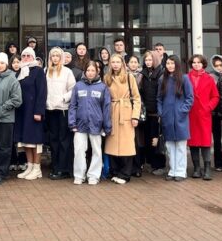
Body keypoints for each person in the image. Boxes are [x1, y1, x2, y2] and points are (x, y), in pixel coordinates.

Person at [69, 61, 112, 185]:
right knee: (79, 150)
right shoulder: (78, 86)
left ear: (97, 72)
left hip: (96, 125)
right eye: (88, 70)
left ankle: (93, 175)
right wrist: (72, 123)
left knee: (97, 151)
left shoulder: (103, 87)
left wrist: (107, 126)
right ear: (85, 71)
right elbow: (73, 105)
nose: (90, 73)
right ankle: (79, 175)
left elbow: (106, 108)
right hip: (80, 125)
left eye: (93, 70)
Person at [104, 54, 140, 184]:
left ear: (122, 64)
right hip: (112, 112)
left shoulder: (129, 77)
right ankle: (115, 171)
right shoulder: (107, 78)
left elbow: (136, 98)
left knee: (126, 144)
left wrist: (135, 116)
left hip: (126, 112)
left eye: (118, 62)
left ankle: (125, 174)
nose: (115, 65)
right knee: (112, 144)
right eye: (113, 62)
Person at [0, 53, 23, 185]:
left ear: (6, 64)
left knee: (5, 147)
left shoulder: (12, 79)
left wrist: (2, 108)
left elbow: (17, 99)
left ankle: (2, 172)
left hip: (6, 118)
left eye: (2, 63)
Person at [157, 55, 194, 182]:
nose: (170, 66)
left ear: (177, 64)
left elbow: (190, 98)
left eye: (172, 63)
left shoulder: (184, 79)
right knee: (169, 146)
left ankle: (181, 171)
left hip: (180, 118)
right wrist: (161, 113)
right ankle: (172, 170)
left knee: (180, 146)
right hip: (167, 118)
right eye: (168, 63)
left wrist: (182, 111)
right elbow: (159, 98)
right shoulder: (163, 79)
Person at [14, 47, 48, 180]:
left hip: (33, 111)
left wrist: (39, 111)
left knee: (35, 141)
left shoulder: (38, 71)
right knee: (26, 141)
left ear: (33, 57)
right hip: (22, 112)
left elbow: (42, 92)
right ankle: (30, 166)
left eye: (29, 55)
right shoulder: (19, 72)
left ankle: (37, 168)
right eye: (24, 56)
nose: (26, 58)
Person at [46, 47, 77, 180]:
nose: (55, 58)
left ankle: (64, 169)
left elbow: (73, 89)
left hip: (63, 110)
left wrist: (64, 98)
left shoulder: (67, 72)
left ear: (61, 58)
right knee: (53, 140)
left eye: (57, 56)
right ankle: (55, 166)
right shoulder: (47, 71)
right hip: (50, 109)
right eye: (53, 56)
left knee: (64, 140)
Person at [187, 54, 219, 180]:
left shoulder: (209, 79)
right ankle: (196, 168)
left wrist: (209, 107)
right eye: (194, 62)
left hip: (204, 114)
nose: (196, 65)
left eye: (199, 62)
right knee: (193, 142)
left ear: (203, 64)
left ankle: (207, 168)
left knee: (205, 142)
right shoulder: (186, 78)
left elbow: (215, 96)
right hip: (191, 114)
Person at [139, 51, 166, 176]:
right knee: (148, 139)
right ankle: (151, 163)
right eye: (146, 60)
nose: (148, 62)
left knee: (157, 140)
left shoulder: (162, 73)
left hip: (157, 112)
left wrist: (161, 112)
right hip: (147, 113)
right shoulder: (143, 74)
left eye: (150, 60)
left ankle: (160, 165)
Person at [8, 54, 27, 172]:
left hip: (23, 109)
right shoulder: (8, 75)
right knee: (11, 137)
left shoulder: (25, 74)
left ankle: (22, 160)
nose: (16, 64)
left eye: (18, 62)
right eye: (14, 62)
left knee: (21, 137)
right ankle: (12, 160)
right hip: (11, 110)